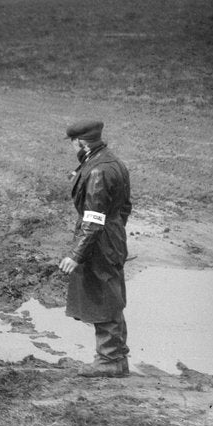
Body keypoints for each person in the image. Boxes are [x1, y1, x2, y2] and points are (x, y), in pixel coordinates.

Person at [57, 120, 132, 378]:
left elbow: (93, 219)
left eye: (73, 143)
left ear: (81, 142)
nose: (72, 147)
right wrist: (115, 232)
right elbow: (124, 207)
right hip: (112, 237)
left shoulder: (98, 171)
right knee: (111, 293)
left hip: (98, 240)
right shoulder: (114, 162)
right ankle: (116, 358)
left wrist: (76, 255)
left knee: (102, 296)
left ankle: (109, 360)